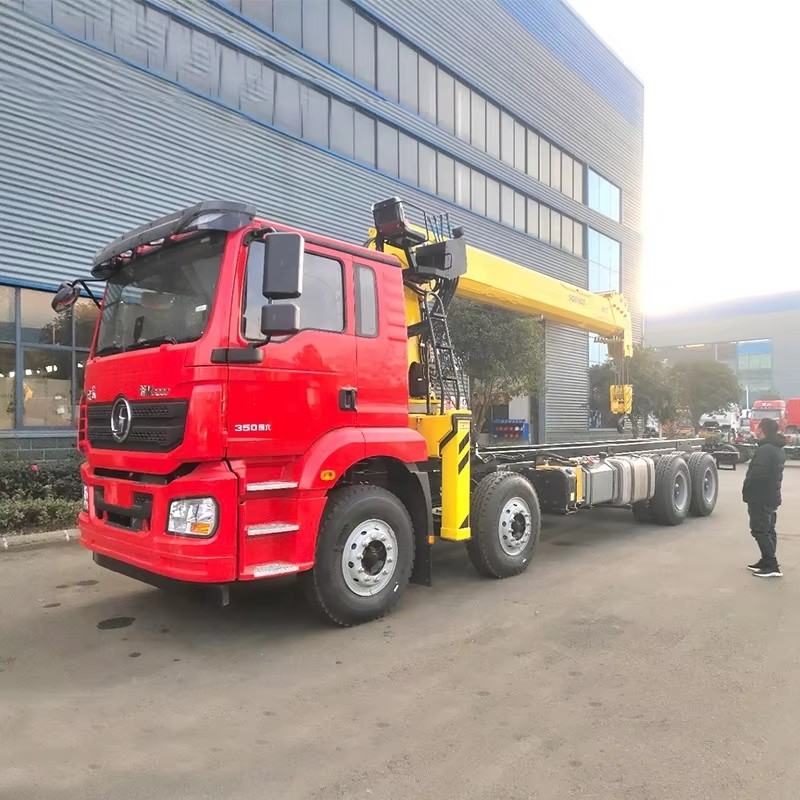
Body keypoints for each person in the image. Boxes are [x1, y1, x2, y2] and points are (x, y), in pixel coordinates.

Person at [742, 416, 786, 578]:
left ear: (763, 430)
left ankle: (771, 565)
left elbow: (757, 475)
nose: (756, 429)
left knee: (760, 530)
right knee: (769, 529)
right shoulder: (776, 448)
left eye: (758, 427)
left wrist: (747, 489)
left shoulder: (765, 450)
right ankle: (766, 560)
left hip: (760, 497)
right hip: (770, 496)